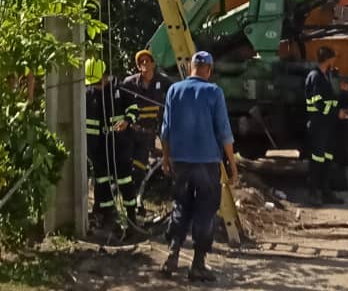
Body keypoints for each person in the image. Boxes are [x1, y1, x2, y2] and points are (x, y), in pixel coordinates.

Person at [160, 50, 238, 282]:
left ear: (191, 67)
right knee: (205, 211)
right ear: (209, 70)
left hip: (181, 161)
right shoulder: (214, 92)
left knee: (181, 205)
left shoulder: (174, 90)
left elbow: (165, 131)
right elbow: (224, 132)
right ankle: (197, 264)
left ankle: (172, 253)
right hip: (207, 162)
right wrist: (232, 165)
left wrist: (166, 158)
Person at [85, 58, 140, 227]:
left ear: (106, 76)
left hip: (119, 145)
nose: (95, 86)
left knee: (125, 181)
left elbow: (133, 109)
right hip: (97, 148)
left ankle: (131, 217)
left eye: (97, 81)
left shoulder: (120, 90)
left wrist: (127, 121)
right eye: (92, 83)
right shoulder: (87, 94)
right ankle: (107, 216)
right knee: (102, 182)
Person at [122, 49, 172, 184]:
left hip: (148, 135)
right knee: (126, 166)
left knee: (139, 169)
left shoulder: (163, 81)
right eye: (141, 62)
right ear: (138, 66)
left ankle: (135, 193)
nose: (144, 63)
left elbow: (175, 92)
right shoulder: (129, 83)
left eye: (147, 61)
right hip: (131, 133)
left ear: (153, 63)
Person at [305, 46, 345, 206]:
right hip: (318, 124)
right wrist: (336, 113)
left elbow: (329, 100)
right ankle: (313, 193)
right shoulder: (315, 77)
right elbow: (318, 102)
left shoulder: (325, 75)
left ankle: (327, 192)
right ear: (328, 59)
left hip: (327, 124)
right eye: (333, 58)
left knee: (327, 158)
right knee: (317, 160)